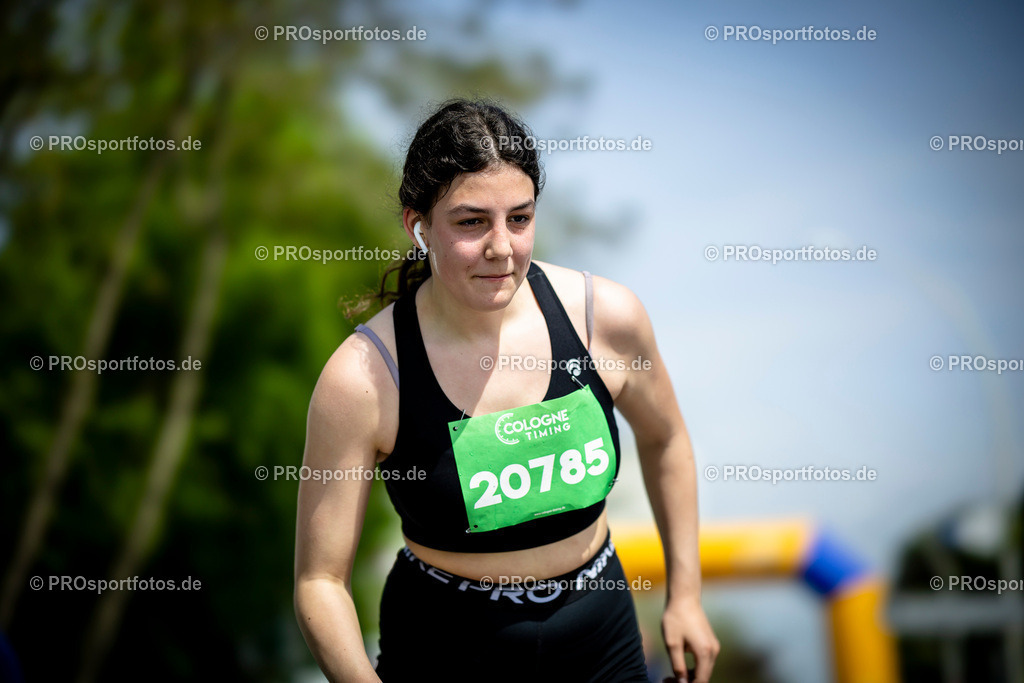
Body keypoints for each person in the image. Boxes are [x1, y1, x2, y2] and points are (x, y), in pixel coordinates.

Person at [293, 99, 719, 682]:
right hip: (446, 648)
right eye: (471, 222)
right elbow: (320, 582)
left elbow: (667, 440)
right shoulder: (364, 377)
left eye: (519, 218)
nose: (502, 247)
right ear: (417, 224)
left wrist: (686, 596)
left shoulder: (606, 319)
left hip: (602, 639)